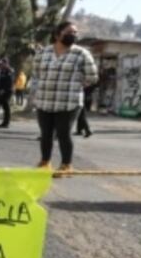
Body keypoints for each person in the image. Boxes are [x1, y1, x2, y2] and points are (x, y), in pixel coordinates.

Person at [32, 21, 99, 172]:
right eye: (69, 32)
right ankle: (45, 162)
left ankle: (66, 165)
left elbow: (92, 77)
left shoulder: (81, 53)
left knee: (64, 134)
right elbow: (36, 73)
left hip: (69, 102)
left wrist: (76, 87)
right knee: (46, 134)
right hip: (44, 100)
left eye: (75, 33)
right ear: (57, 35)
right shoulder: (43, 53)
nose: (73, 35)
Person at [0, 58, 14, 128]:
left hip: (7, 91)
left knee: (6, 107)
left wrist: (3, 90)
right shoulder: (2, 71)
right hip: (0, 91)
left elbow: (9, 83)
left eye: (3, 63)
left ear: (6, 63)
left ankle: (6, 123)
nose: (1, 64)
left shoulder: (9, 71)